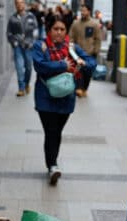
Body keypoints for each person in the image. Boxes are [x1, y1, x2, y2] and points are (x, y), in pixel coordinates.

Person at [32, 13, 96, 185]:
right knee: (51, 131)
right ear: (49, 30)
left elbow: (92, 63)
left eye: (62, 29)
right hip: (45, 98)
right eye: (55, 29)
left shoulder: (72, 48)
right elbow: (39, 66)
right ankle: (52, 165)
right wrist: (62, 65)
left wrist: (83, 63)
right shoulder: (41, 46)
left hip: (66, 98)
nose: (59, 32)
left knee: (57, 132)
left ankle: (52, 163)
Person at [7, 0, 39, 97]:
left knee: (28, 67)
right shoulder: (12, 18)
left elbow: (36, 30)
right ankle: (21, 88)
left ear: (24, 4)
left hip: (28, 46)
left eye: (21, 3)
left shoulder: (31, 16)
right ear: (15, 5)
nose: (19, 5)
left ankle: (26, 83)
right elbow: (9, 33)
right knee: (19, 67)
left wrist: (32, 42)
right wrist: (14, 43)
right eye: (17, 3)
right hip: (18, 47)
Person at [69, 4, 102, 96]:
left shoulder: (94, 24)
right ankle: (79, 88)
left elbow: (98, 38)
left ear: (89, 11)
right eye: (81, 10)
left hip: (90, 53)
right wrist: (71, 48)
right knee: (79, 71)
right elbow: (71, 37)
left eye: (84, 10)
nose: (82, 12)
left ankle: (84, 89)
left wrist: (96, 50)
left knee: (87, 73)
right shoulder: (75, 23)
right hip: (78, 53)